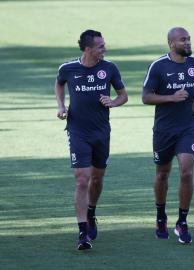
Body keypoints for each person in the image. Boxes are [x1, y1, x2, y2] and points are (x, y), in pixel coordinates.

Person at [54, 29, 128, 250]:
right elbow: (59, 84)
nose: (104, 49)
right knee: (82, 179)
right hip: (77, 131)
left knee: (97, 178)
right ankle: (82, 232)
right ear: (88, 49)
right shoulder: (67, 69)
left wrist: (113, 102)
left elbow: (123, 95)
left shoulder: (109, 68)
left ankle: (91, 212)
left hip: (101, 132)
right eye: (100, 46)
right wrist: (61, 106)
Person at [142, 27, 194, 244]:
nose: (188, 42)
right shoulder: (158, 66)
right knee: (162, 174)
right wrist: (171, 98)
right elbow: (146, 97)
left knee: (186, 173)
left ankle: (182, 222)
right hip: (164, 130)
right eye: (184, 40)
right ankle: (160, 216)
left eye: (189, 39)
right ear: (171, 44)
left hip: (187, 128)